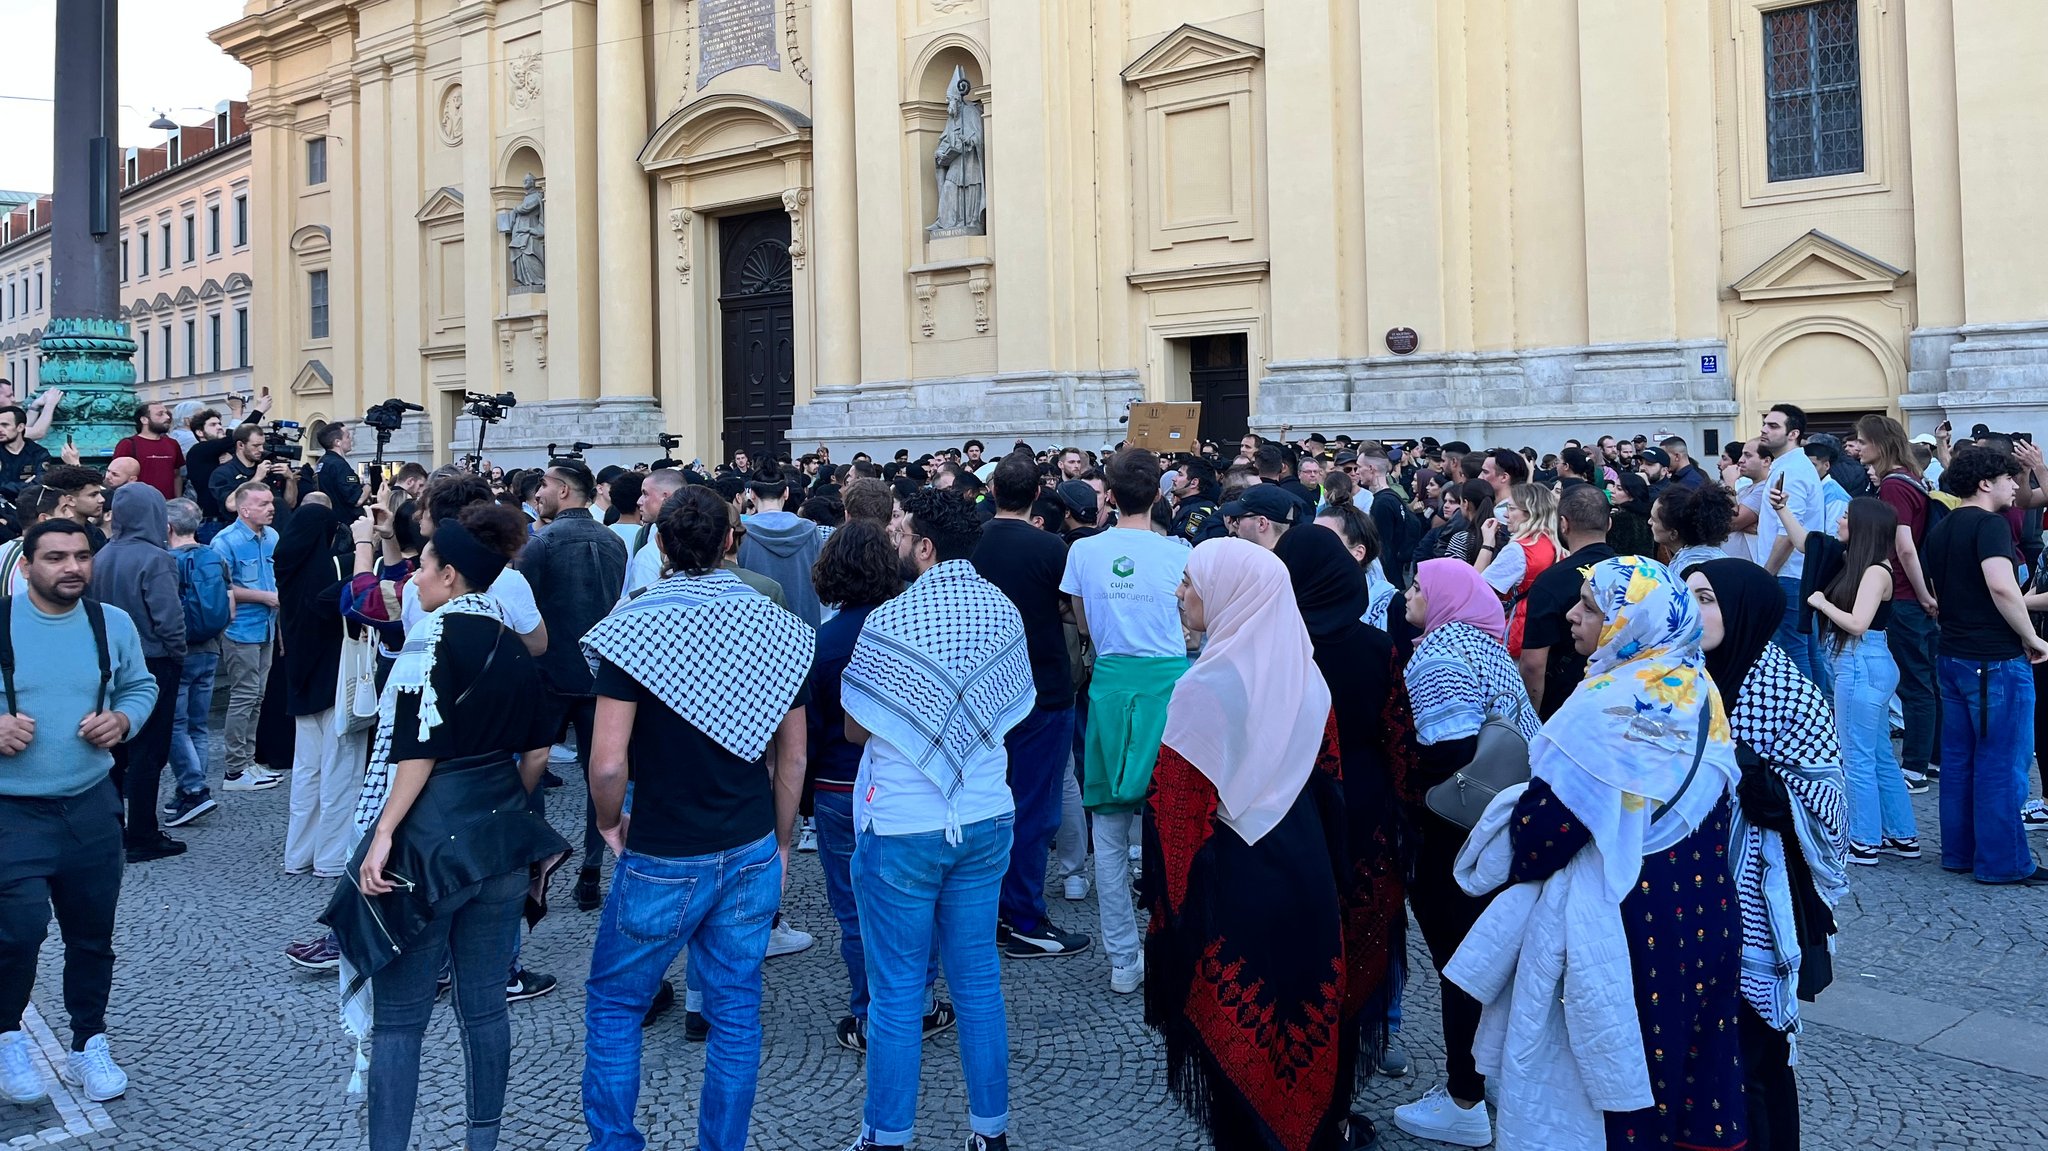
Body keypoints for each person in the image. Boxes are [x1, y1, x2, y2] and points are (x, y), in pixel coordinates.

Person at [1447, 557, 1742, 1151]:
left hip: (1633, 918)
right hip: (1705, 908)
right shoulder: (1697, 685)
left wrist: (1514, 813)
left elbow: (1544, 836)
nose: (1571, 615)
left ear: (1628, 622)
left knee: (1623, 1078)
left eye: (1590, 606)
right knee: (1692, 1068)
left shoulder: (1606, 705)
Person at [322, 503, 570, 1151]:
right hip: (501, 841)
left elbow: (414, 750)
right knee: (485, 1007)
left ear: (452, 575)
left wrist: (381, 835)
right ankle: (480, 1143)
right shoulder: (516, 644)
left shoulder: (431, 641)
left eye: (422, 566)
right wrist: (500, 802)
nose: (410, 578)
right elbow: (540, 752)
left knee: (400, 1021)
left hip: (428, 847)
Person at [579, 484, 814, 1151]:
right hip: (746, 837)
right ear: (730, 541)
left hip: (662, 843)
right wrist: (783, 840)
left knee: (618, 1002)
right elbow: (792, 759)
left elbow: (605, 762)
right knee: (736, 1012)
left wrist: (606, 823)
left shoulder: (637, 622)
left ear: (658, 544)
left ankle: (616, 1142)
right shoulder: (778, 624)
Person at [1143, 537, 1358, 1151]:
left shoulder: (1204, 689)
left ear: (1230, 595)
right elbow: (1331, 787)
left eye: (1191, 582)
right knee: (1299, 1022)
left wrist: (1170, 927)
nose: (1180, 594)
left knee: (1245, 1043)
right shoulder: (1307, 676)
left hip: (1237, 887)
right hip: (1306, 873)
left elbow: (1177, 819)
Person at [840, 488, 1034, 1151]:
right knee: (978, 980)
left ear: (925, 546)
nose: (894, 540)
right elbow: (1014, 703)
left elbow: (856, 724)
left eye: (901, 532)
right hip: (984, 814)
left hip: (902, 823)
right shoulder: (1002, 610)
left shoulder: (890, 620)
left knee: (896, 992)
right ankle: (990, 1132)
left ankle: (888, 1136)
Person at [1687, 559, 1849, 1151]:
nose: (1691, 610)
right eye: (1687, 597)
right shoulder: (1677, 682)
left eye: (1705, 598)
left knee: (1754, 1060)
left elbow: (1829, 804)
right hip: (1687, 897)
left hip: (1758, 900)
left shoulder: (1789, 694)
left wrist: (1765, 786)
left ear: (1744, 609)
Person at [0, 520, 159, 1107]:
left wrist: (122, 720)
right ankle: (7, 1033)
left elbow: (140, 687)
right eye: (55, 557)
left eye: (81, 556)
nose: (71, 567)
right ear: (26, 564)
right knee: (17, 931)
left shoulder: (110, 623)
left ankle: (87, 1043)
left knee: (92, 937)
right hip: (11, 809)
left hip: (90, 803)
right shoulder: (1, 621)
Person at [1274, 526, 1414, 1148]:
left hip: (1287, 812)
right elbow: (1400, 742)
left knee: (1290, 956)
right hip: (1363, 812)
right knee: (1353, 957)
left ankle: (1280, 1095)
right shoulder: (1376, 649)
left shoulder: (1272, 647)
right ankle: (1333, 1109)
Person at [1392, 558, 1539, 1148]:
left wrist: (1403, 779)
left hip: (1451, 829)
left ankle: (1463, 1100)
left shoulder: (1440, 651)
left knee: (1462, 962)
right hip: (1497, 823)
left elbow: (1446, 748)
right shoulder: (1485, 642)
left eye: (1419, 586)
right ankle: (1491, 1074)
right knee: (1488, 956)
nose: (1408, 594)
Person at [807, 521, 951, 1050]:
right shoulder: (913, 627)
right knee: (921, 901)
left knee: (854, 910)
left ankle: (870, 1012)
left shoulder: (824, 640)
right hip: (910, 780)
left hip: (838, 785)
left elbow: (814, 728)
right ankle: (920, 1002)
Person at [1061, 449, 1192, 996]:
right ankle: (1179, 942)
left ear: (1108, 495)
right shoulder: (1182, 551)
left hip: (1112, 684)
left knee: (1110, 831)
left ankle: (1123, 956)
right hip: (1172, 687)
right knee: (1177, 823)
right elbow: (1192, 619)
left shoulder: (1086, 552)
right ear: (1158, 494)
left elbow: (1084, 621)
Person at [973, 454, 1090, 957]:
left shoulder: (972, 543)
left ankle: (998, 907)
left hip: (984, 691)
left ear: (995, 490)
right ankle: (1023, 917)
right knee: (1035, 807)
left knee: (992, 801)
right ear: (1037, 493)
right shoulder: (1051, 548)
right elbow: (1071, 609)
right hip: (1041, 688)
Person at [1923, 446, 2048, 884]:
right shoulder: (1990, 525)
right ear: (1985, 483)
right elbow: (1999, 587)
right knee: (2002, 761)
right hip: (1992, 659)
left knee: (1959, 760)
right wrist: (2032, 636)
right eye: (2010, 478)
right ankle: (2004, 862)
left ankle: (1960, 853)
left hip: (1953, 655)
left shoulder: (1942, 529)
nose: (2017, 485)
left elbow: (1942, 593)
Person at [1773, 491, 1917, 863]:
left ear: (1862, 528)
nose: (1838, 521)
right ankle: (1902, 835)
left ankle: (1863, 841)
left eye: (1845, 518)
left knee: (1856, 758)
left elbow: (1856, 623)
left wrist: (1820, 602)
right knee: (1880, 755)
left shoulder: (1873, 570)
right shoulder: (1854, 560)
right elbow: (1807, 544)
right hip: (1867, 664)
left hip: (1861, 664)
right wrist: (1782, 509)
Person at [517, 461, 628, 909]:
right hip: (601, 675)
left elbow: (525, 614)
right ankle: (592, 868)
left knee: (533, 769)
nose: (537, 492)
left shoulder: (540, 543)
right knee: (600, 774)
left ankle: (535, 859)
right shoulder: (615, 542)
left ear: (562, 491)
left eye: (542, 484)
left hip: (549, 676)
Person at [88, 484, 188, 862]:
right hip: (153, 660)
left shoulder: (101, 555)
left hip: (108, 661)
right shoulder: (156, 558)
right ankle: (142, 832)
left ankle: (111, 828)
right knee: (150, 749)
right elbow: (168, 617)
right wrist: (177, 654)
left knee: (114, 744)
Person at [277, 497, 368, 879]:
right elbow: (357, 599)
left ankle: (298, 854)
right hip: (336, 683)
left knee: (307, 773)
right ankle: (331, 857)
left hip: (301, 683)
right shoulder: (330, 576)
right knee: (340, 773)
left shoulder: (288, 571)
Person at [1858, 414, 1944, 792]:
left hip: (1908, 596)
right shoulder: (1912, 479)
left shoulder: (1894, 485)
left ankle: (1915, 766)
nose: (1858, 448)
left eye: (1862, 441)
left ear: (1879, 443)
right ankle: (1934, 757)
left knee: (1914, 684)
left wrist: (1924, 594)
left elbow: (1904, 547)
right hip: (1915, 594)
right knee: (1925, 680)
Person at [1515, 485, 1617, 719]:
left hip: (1565, 703)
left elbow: (1533, 663)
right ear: (1608, 524)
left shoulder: (1551, 581)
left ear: (1563, 524)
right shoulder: (1631, 571)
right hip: (1618, 691)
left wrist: (1530, 719)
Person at [211, 481, 284, 793]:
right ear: (244, 509)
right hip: (240, 628)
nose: (271, 508)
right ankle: (235, 768)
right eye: (263, 503)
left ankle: (248, 760)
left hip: (267, 626)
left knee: (257, 697)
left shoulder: (272, 537)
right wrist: (265, 597)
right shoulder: (224, 542)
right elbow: (223, 588)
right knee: (243, 696)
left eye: (271, 502)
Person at [162, 498, 227, 828]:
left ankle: (194, 788)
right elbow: (228, 603)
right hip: (211, 647)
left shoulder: (167, 561)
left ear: (167, 527)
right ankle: (191, 791)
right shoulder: (213, 556)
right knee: (198, 725)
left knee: (175, 723)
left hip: (182, 649)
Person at [1756, 404, 1828, 682]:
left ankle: (1808, 717)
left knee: (1792, 652)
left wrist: (1767, 575)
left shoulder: (1794, 470)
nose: (1764, 429)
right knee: (1806, 651)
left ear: (1793, 433)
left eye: (1773, 426)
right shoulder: (1789, 465)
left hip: (1788, 575)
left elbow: (1788, 533)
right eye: (1765, 423)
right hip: (1793, 575)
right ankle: (1818, 714)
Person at [1475, 482, 1560, 657]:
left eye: (1512, 509)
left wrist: (1488, 543)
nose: (1506, 514)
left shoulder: (1519, 550)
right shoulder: (1555, 544)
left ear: (1530, 513)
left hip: (1515, 635)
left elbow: (1477, 590)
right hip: (1542, 631)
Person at [736, 462, 826, 627]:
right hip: (805, 628)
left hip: (756, 627)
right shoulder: (811, 531)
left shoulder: (741, 533)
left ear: (752, 495)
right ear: (786, 493)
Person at [1314, 500, 1397, 629]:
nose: (1311, 544)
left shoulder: (1390, 602)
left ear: (1358, 552)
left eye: (1326, 539)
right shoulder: (1301, 592)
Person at [1652, 481, 1737, 583]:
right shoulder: (1707, 555)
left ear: (1674, 533)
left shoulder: (1689, 571)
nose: (1649, 522)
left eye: (1654, 519)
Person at [111, 402, 185, 502]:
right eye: (160, 414)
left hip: (168, 506)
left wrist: (178, 500)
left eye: (167, 413)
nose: (167, 417)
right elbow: (117, 477)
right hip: (139, 505)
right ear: (144, 420)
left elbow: (176, 475)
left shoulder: (173, 444)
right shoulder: (128, 444)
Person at [1221, 484, 1300, 550]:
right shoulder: (1295, 559)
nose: (1234, 524)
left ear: (1262, 523)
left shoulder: (1259, 566)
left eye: (1238, 518)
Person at [315, 421, 365, 523]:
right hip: (344, 524)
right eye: (347, 437)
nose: (351, 440)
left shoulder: (321, 462)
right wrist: (369, 486)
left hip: (328, 520)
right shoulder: (339, 465)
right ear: (337, 442)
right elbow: (357, 499)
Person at [0, 405, 50, 503]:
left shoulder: (38, 453)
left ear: (20, 427)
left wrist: (3, 487)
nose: (0, 429)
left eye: (5, 425)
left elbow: (39, 485)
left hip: (29, 506)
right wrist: (26, 484)